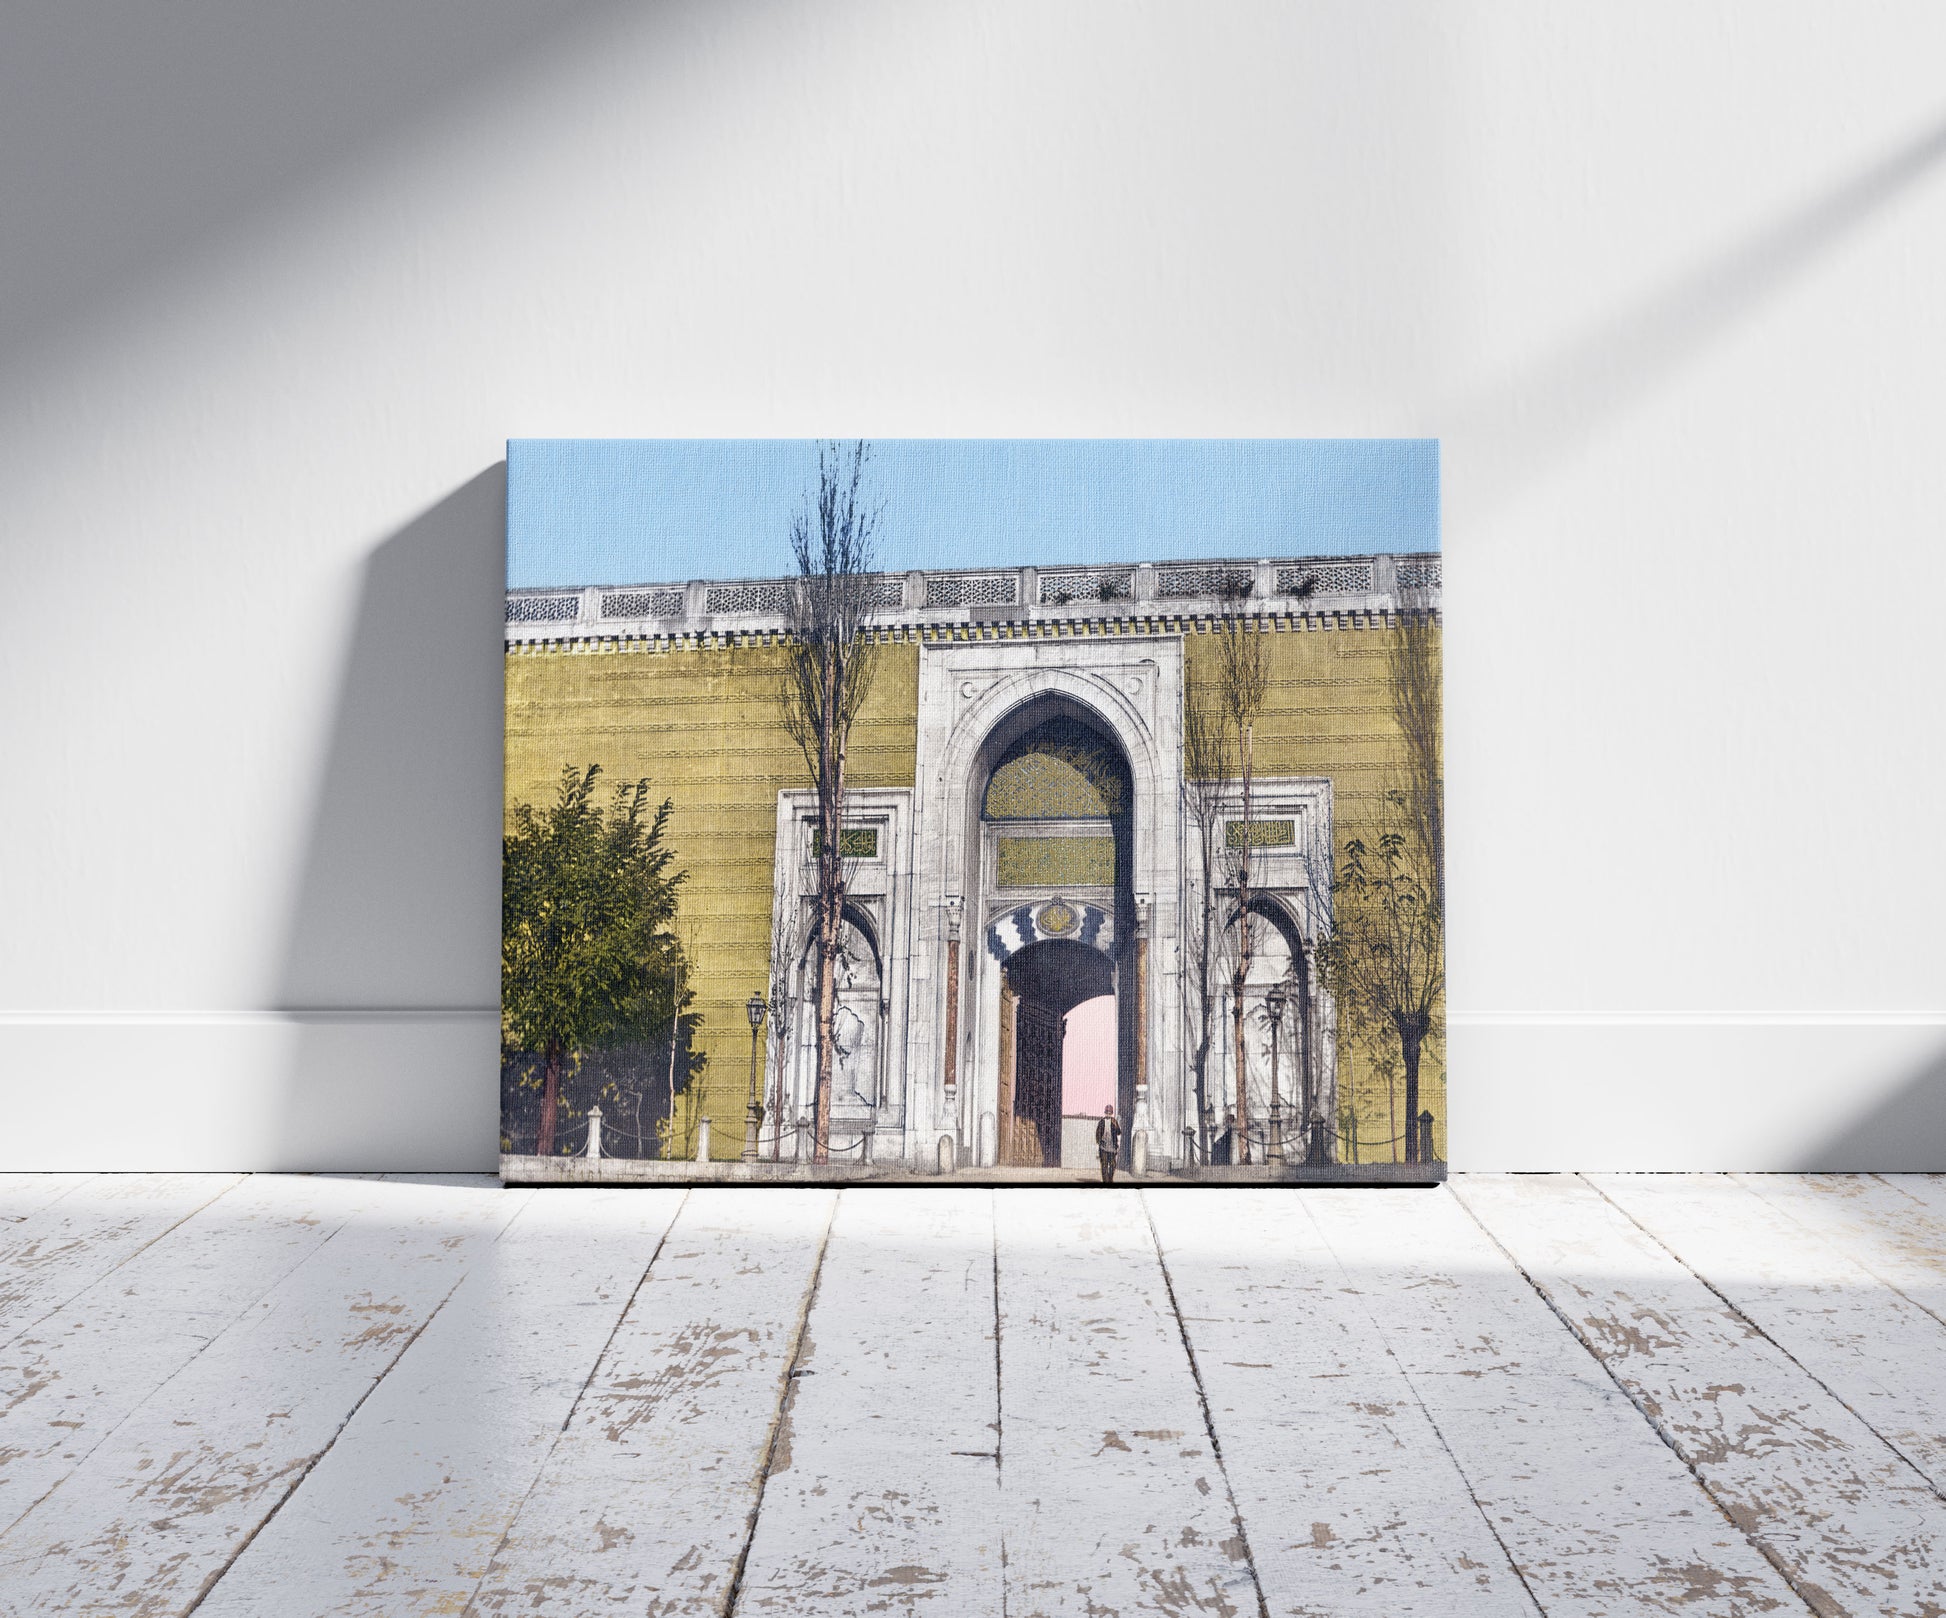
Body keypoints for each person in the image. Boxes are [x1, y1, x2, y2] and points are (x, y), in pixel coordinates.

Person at [1095, 1104, 1123, 1185]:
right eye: (1107, 1112)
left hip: (1112, 1147)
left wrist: (1117, 1125)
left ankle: (1110, 1179)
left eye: (1110, 1113)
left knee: (1113, 1165)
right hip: (1103, 1147)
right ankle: (1105, 1181)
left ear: (1112, 1113)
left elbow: (1119, 1132)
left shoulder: (1114, 1121)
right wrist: (1099, 1143)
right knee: (1104, 1165)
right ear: (1105, 1113)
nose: (1108, 1114)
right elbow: (1097, 1134)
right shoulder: (1101, 1122)